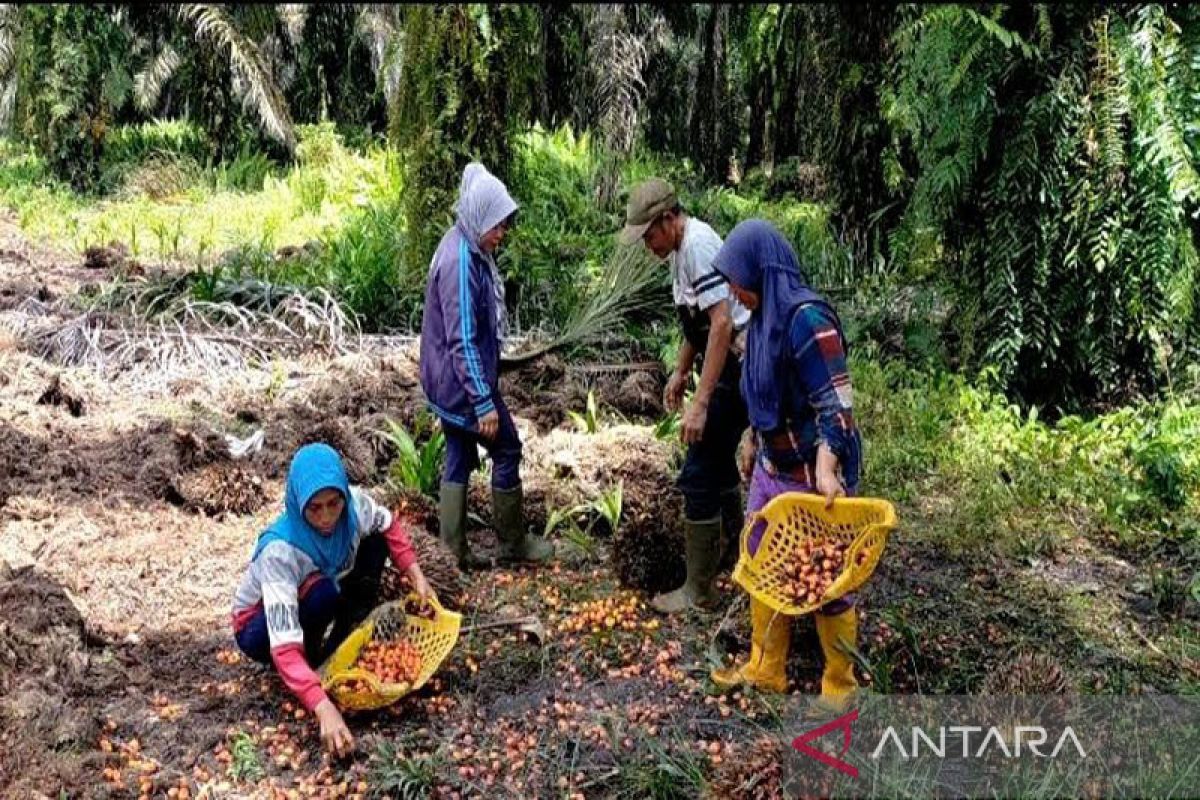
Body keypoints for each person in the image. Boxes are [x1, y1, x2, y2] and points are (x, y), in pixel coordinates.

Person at [707, 219, 863, 714]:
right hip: (774, 466)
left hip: (814, 470)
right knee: (761, 559)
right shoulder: (762, 321)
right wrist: (754, 442)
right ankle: (765, 666)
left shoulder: (806, 319)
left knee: (827, 577)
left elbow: (835, 403)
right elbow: (764, 393)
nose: (733, 289)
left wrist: (826, 465)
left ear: (763, 270)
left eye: (737, 278)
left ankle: (840, 684)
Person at [231, 443, 433, 756]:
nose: (326, 517)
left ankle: (343, 635)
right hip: (257, 627)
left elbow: (388, 524)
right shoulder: (281, 553)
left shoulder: (353, 508)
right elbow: (283, 642)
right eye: (315, 508)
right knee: (321, 592)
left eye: (333, 504)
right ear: (299, 503)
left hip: (320, 587)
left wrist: (416, 575)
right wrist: (323, 707)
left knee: (375, 543)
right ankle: (310, 662)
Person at [620, 179, 750, 613]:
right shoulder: (681, 252)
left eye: (649, 235)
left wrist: (701, 402)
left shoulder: (697, 246)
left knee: (697, 471)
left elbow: (721, 325)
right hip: (725, 364)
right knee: (716, 463)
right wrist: (679, 371)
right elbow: (696, 327)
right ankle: (735, 553)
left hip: (740, 365)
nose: (647, 245)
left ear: (668, 219)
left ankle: (700, 589)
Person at [419, 162, 553, 570]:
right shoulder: (460, 262)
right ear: (477, 216)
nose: (501, 235)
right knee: (507, 447)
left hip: (447, 379)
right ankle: (513, 543)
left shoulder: (466, 245)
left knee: (459, 452)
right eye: (496, 226)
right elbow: (462, 341)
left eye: (504, 226)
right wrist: (482, 400)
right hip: (460, 384)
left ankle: (452, 553)